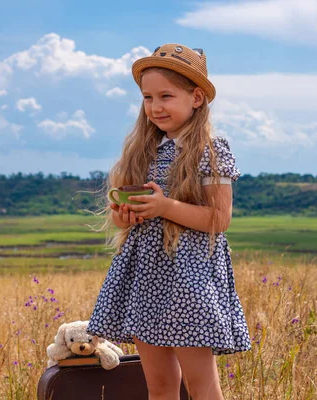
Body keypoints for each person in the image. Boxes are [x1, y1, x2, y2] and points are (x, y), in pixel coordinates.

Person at [87, 43, 251, 400]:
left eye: (166, 96)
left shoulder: (211, 148)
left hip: (189, 280)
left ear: (196, 98)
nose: (155, 107)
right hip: (145, 277)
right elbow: (123, 224)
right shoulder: (144, 149)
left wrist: (163, 207)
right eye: (147, 98)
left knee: (201, 384)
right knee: (159, 386)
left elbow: (219, 219)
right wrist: (125, 214)